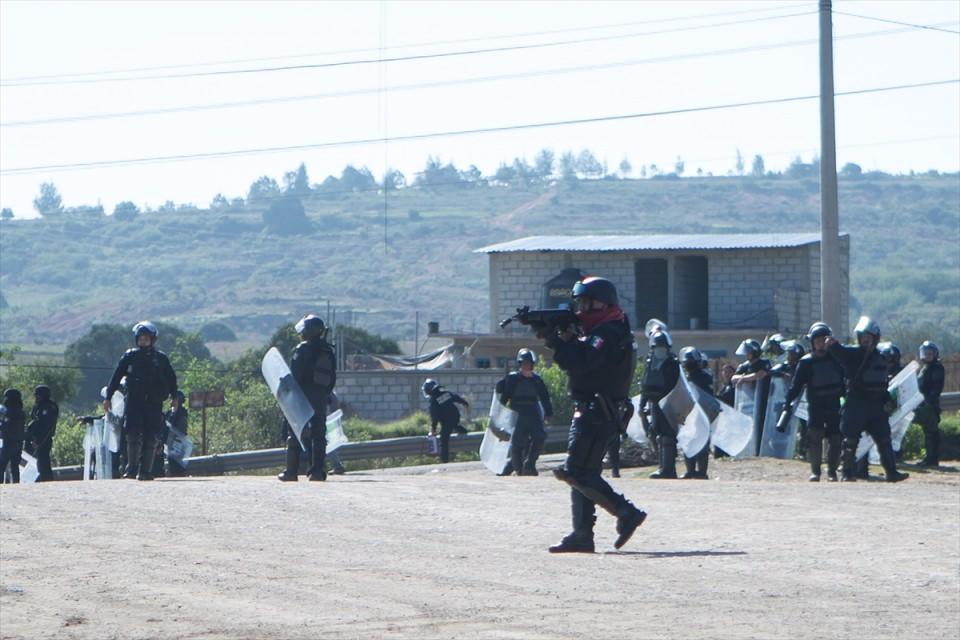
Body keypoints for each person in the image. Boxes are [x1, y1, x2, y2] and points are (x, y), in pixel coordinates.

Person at [544, 276, 646, 553]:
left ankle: (626, 512)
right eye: (580, 303)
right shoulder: (607, 328)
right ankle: (582, 534)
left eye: (588, 303)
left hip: (597, 410)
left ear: (603, 303)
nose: (582, 309)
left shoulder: (608, 332)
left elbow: (581, 362)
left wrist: (558, 342)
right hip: (597, 409)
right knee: (583, 472)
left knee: (575, 471)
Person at [827, 316, 908, 482]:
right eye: (863, 337)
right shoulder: (853, 354)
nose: (865, 340)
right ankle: (848, 473)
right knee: (850, 441)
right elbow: (840, 352)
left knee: (884, 440)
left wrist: (888, 399)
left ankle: (892, 473)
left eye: (868, 337)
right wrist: (833, 345)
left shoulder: (880, 357)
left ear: (875, 338)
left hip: (876, 405)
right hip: (856, 404)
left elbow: (882, 383)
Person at [105, 321, 179, 481]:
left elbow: (171, 379)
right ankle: (131, 469)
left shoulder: (161, 358)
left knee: (151, 436)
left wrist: (174, 397)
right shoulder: (130, 356)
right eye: (141, 338)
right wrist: (108, 396)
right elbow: (116, 376)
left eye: (146, 338)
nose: (143, 341)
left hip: (154, 402)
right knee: (132, 434)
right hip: (134, 401)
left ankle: (145, 471)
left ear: (153, 339)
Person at [778, 323, 845, 481]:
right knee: (815, 437)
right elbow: (796, 385)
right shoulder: (806, 362)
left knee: (835, 439)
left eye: (824, 340)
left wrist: (846, 401)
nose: (821, 343)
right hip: (816, 405)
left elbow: (845, 380)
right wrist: (788, 402)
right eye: (818, 340)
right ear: (813, 342)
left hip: (835, 404)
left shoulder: (837, 359)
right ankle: (815, 471)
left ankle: (832, 472)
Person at [278, 314, 337, 482]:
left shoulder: (302, 349)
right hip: (320, 396)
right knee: (319, 434)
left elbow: (294, 376)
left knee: (295, 432)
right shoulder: (328, 350)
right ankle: (317, 472)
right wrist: (324, 394)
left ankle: (291, 472)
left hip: (301, 396)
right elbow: (332, 378)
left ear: (309, 331)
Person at [495, 348, 553, 476]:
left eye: (529, 363)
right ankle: (517, 468)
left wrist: (548, 413)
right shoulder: (512, 379)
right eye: (524, 363)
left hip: (533, 412)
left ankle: (530, 464)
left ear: (533, 364)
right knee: (518, 442)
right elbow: (504, 396)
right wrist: (499, 412)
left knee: (539, 437)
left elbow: (545, 397)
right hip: (517, 413)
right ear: (520, 364)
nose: (527, 366)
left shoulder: (537, 380)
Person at [641, 324, 681, 479]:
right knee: (657, 433)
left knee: (667, 435)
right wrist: (643, 403)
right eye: (657, 345)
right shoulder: (650, 362)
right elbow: (646, 383)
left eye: (662, 345)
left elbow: (677, 384)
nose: (660, 348)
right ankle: (662, 466)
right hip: (654, 402)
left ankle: (668, 469)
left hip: (668, 403)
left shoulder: (672, 362)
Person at [731, 338, 771, 456]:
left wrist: (744, 378)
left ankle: (759, 451)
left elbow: (761, 374)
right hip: (747, 402)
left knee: (761, 426)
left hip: (763, 401)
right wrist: (746, 378)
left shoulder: (764, 363)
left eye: (749, 352)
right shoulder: (744, 365)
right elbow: (733, 378)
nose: (747, 355)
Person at [679, 346, 713, 479]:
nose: (689, 365)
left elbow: (708, 397)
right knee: (688, 442)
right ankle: (690, 471)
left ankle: (702, 472)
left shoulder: (705, 377)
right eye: (687, 362)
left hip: (702, 415)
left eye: (691, 362)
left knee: (702, 443)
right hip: (688, 414)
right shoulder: (685, 378)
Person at [424, 379, 470, 464]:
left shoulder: (434, 401)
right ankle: (463, 431)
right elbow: (456, 397)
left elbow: (435, 418)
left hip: (446, 421)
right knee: (454, 425)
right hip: (455, 417)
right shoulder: (445, 394)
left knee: (444, 439)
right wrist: (465, 403)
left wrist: (433, 430)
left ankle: (444, 461)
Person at [915, 341, 945, 468]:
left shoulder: (937, 367)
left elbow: (936, 387)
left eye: (930, 353)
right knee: (927, 431)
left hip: (930, 405)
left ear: (935, 354)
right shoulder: (924, 368)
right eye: (925, 353)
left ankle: (932, 460)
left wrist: (929, 401)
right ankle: (929, 458)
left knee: (931, 432)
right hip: (923, 403)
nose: (927, 355)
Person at [26, 385, 59, 481]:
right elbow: (35, 420)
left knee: (44, 461)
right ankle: (44, 479)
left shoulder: (49, 407)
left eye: (38, 396)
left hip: (44, 439)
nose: (36, 398)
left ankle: (47, 480)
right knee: (40, 462)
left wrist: (39, 441)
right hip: (37, 438)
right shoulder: (40, 406)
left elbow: (45, 427)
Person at [0, 390, 26, 483]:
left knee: (1, 465)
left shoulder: (9, 412)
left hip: (8, 442)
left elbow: (5, 426)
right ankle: (16, 484)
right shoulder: (21, 412)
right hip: (19, 443)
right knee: (15, 467)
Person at [164, 390, 189, 477]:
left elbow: (178, 429)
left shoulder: (181, 413)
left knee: (176, 463)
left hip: (177, 442)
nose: (171, 402)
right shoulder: (171, 412)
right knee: (171, 462)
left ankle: (179, 475)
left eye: (173, 400)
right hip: (170, 442)